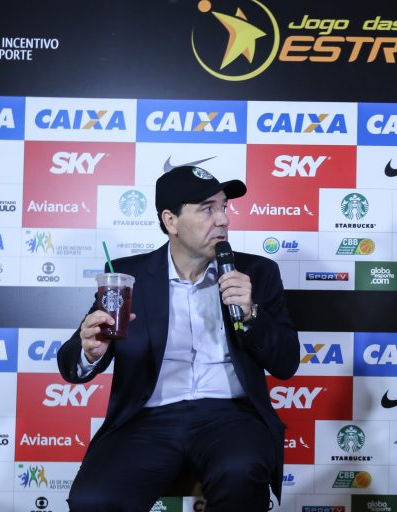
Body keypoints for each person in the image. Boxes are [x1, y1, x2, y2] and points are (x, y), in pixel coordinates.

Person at [57, 165, 300, 512]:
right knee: (93, 499)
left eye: (224, 207)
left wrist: (252, 315)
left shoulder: (257, 273)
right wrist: (89, 351)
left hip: (231, 416)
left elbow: (287, 363)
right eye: (207, 209)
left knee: (241, 473)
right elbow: (72, 364)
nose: (223, 219)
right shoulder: (128, 277)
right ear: (170, 221)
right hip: (147, 418)